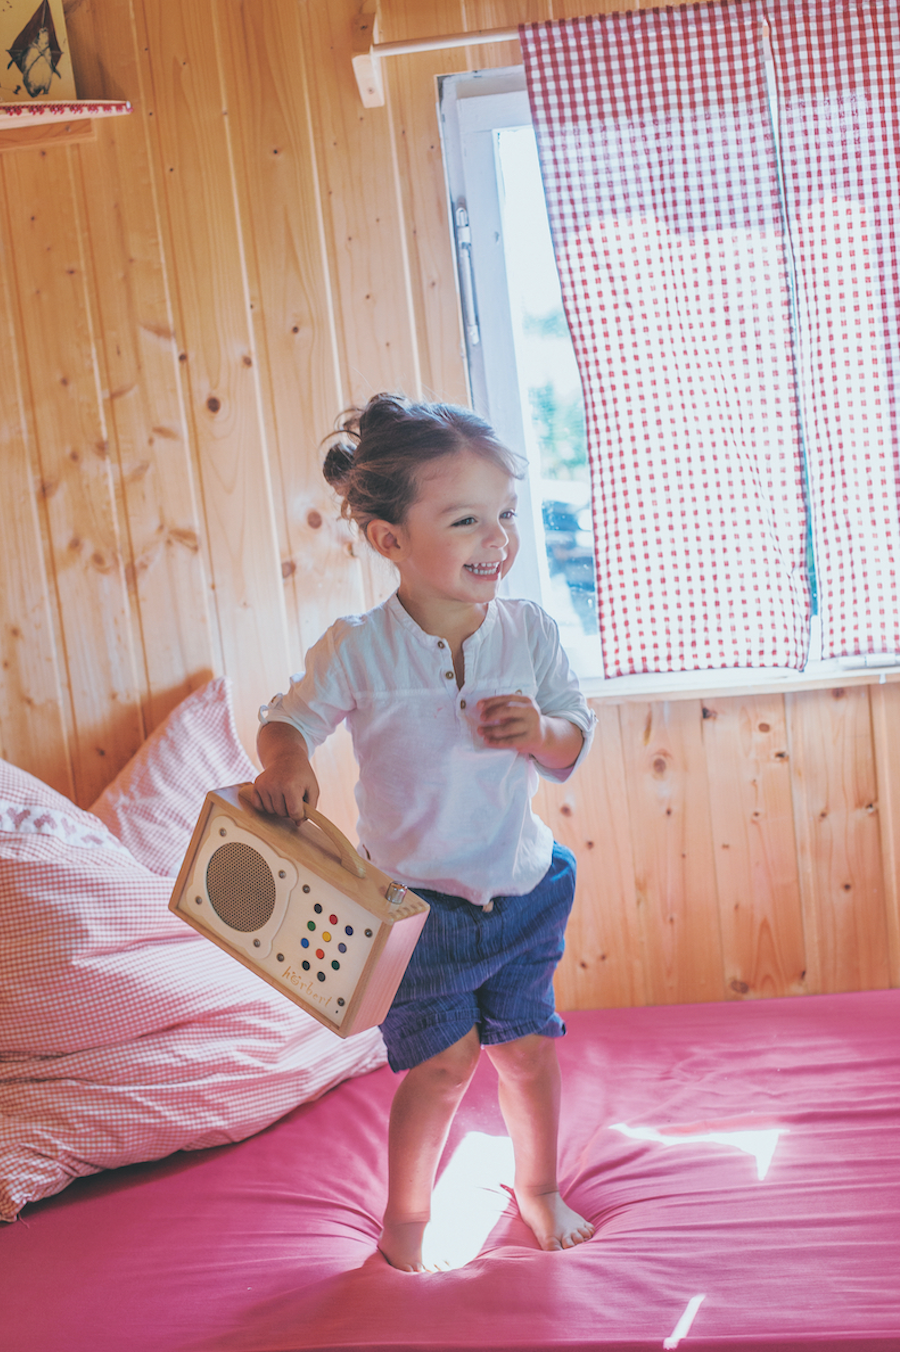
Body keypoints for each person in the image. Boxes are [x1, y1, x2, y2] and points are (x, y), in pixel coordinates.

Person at [251, 393, 596, 1272]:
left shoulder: (529, 631)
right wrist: (286, 760)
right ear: (389, 540)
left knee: (525, 1052)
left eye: (505, 515)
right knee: (441, 1068)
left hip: (523, 889)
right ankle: (407, 1220)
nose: (499, 538)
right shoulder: (360, 647)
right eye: (467, 518)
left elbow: (570, 743)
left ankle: (540, 1185)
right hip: (417, 911)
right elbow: (288, 719)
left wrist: (541, 733)